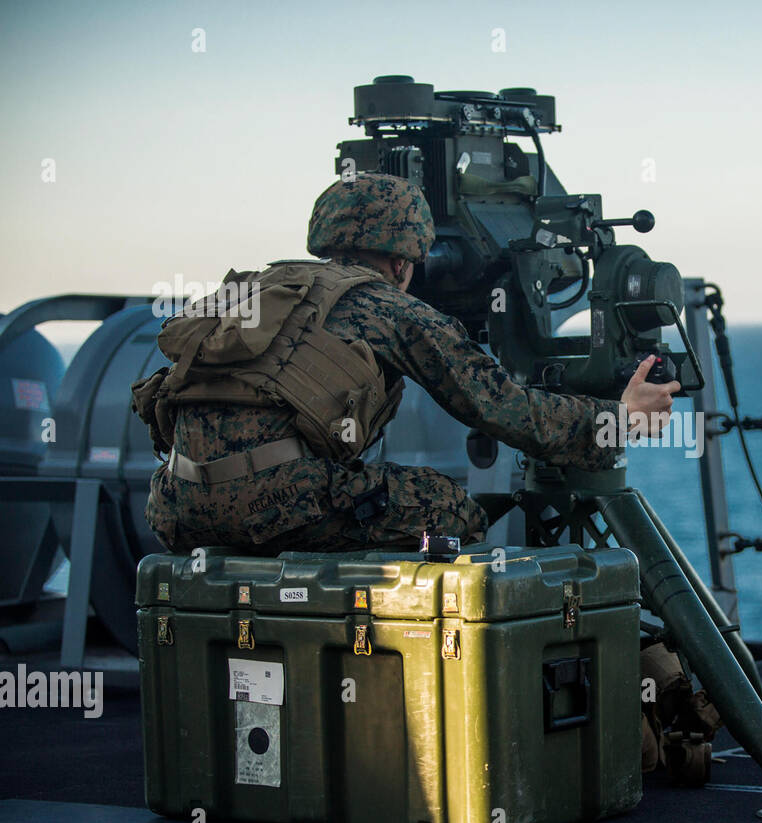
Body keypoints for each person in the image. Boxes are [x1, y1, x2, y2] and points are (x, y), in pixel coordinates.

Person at [132, 172, 679, 555]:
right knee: (451, 511)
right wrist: (618, 416)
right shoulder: (389, 308)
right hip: (279, 507)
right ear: (402, 262)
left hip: (175, 508)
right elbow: (504, 410)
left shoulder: (258, 289)